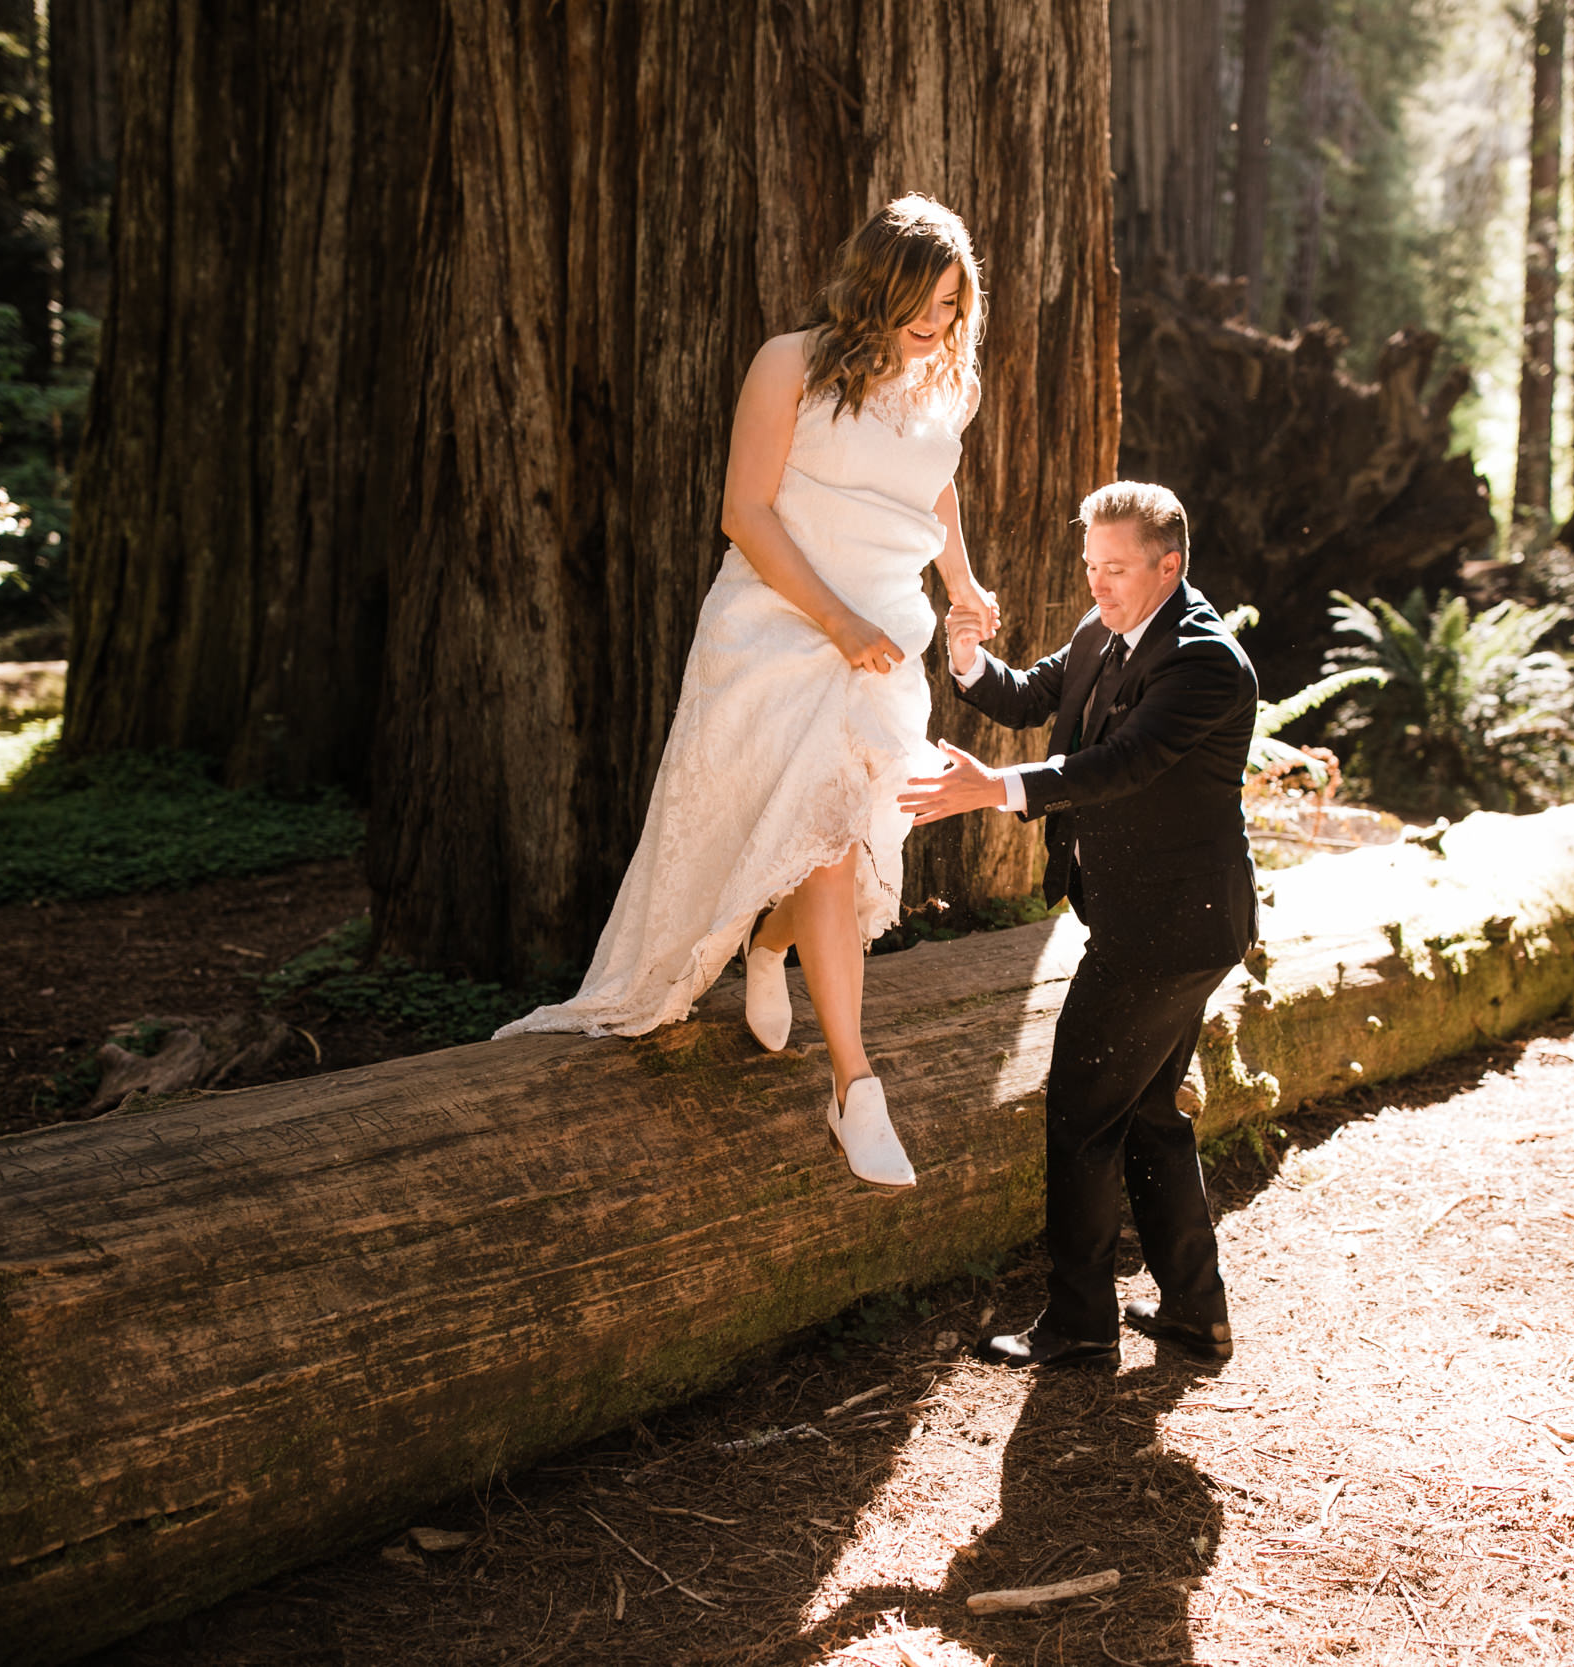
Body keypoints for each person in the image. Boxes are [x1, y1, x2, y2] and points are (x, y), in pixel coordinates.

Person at [499, 195, 1001, 1194]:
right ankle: (856, 1086)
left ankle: (770, 950)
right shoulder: (787, 362)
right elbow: (745, 511)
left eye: (951, 303)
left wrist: (963, 583)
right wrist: (836, 620)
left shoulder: (951, 381)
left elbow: (930, 485)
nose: (935, 322)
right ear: (875, 282)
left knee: (831, 840)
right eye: (921, 299)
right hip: (779, 625)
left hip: (880, 643)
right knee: (819, 836)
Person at [899, 481, 1256, 1368]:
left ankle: (1082, 1322)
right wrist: (970, 660)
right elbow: (1034, 697)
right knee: (1145, 1112)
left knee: (1082, 1110)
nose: (1096, 585)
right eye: (1090, 565)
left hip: (1173, 929)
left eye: (1116, 569)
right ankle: (1195, 1310)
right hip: (1148, 919)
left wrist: (999, 789)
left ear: (1169, 566)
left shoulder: (1205, 661)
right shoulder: (1109, 628)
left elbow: (1122, 763)